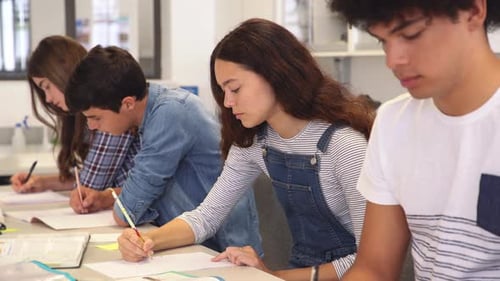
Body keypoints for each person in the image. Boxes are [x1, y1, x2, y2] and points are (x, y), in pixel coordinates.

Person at [116, 18, 374, 281]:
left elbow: (372, 260)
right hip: (299, 270)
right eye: (223, 91)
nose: (227, 102)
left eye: (235, 88)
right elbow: (206, 217)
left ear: (276, 73)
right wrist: (146, 240)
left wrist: (276, 275)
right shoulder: (255, 142)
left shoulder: (345, 146)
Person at [329, 0, 500, 280]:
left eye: (411, 35)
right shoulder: (393, 122)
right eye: (383, 41)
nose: (393, 60)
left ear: (474, 10)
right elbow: (374, 269)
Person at [64, 45, 263, 254]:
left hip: (221, 248)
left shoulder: (169, 114)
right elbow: (159, 187)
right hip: (195, 242)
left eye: (95, 118)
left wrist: (121, 203)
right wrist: (105, 197)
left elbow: (126, 213)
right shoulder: (153, 111)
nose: (92, 127)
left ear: (128, 103)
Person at [9, 36, 139, 213]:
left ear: (62, 75)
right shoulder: (86, 117)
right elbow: (88, 180)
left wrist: (54, 183)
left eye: (46, 86)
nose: (47, 98)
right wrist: (43, 183)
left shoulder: (106, 108)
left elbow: (89, 187)